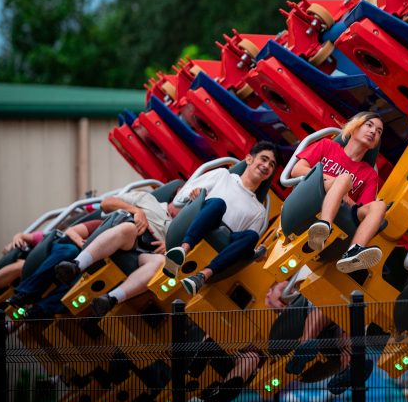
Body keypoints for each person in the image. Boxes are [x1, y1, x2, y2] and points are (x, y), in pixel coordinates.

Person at [52, 181, 191, 315]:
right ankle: (76, 266)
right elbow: (106, 204)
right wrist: (137, 211)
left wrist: (171, 246)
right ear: (179, 193)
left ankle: (111, 299)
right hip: (130, 235)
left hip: (149, 252)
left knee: (160, 262)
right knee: (128, 228)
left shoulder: (182, 229)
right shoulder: (147, 199)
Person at [161, 141, 280, 295]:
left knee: (252, 236)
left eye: (271, 164)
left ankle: (203, 275)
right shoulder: (223, 175)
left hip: (223, 243)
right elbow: (182, 195)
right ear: (249, 159)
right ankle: (181, 252)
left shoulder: (260, 211)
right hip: (203, 221)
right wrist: (195, 195)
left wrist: (255, 253)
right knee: (218, 204)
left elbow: (244, 245)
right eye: (263, 159)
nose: (266, 165)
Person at [290, 112, 387, 273]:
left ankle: (354, 251)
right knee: (344, 179)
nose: (373, 132)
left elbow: (360, 208)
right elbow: (297, 170)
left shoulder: (370, 174)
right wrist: (337, 183)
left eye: (378, 131)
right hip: (311, 197)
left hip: (343, 209)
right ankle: (324, 226)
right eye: (369, 125)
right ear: (354, 127)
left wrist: (344, 194)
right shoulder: (327, 146)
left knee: (379, 206)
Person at [0, 222, 99, 319]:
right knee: (21, 266)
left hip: (53, 277)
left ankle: (1, 323)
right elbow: (24, 236)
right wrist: (16, 240)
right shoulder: (50, 239)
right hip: (31, 269)